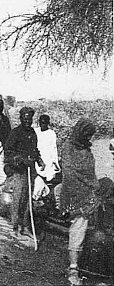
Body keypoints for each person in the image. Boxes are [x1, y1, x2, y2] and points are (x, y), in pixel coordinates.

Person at [60, 119, 102, 286]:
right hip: (73, 193)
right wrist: (89, 185)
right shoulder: (68, 147)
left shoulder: (86, 149)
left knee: (83, 228)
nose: (89, 138)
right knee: (78, 228)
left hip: (87, 192)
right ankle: (73, 269)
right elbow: (69, 173)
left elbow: (91, 171)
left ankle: (80, 262)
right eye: (87, 135)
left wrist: (93, 186)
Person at [3, 107, 45, 238]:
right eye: (25, 119)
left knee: (28, 199)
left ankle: (25, 227)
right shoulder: (15, 133)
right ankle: (15, 227)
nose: (27, 121)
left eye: (29, 119)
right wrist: (20, 159)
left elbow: (34, 150)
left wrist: (39, 160)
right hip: (19, 170)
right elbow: (8, 151)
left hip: (30, 170)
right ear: (21, 119)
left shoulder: (32, 132)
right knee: (18, 198)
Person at [33, 115, 60, 199]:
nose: (42, 125)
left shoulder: (51, 133)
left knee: (48, 175)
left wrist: (55, 162)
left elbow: (53, 149)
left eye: (44, 123)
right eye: (41, 123)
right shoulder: (35, 131)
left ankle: (46, 194)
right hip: (38, 157)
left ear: (48, 123)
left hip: (48, 157)